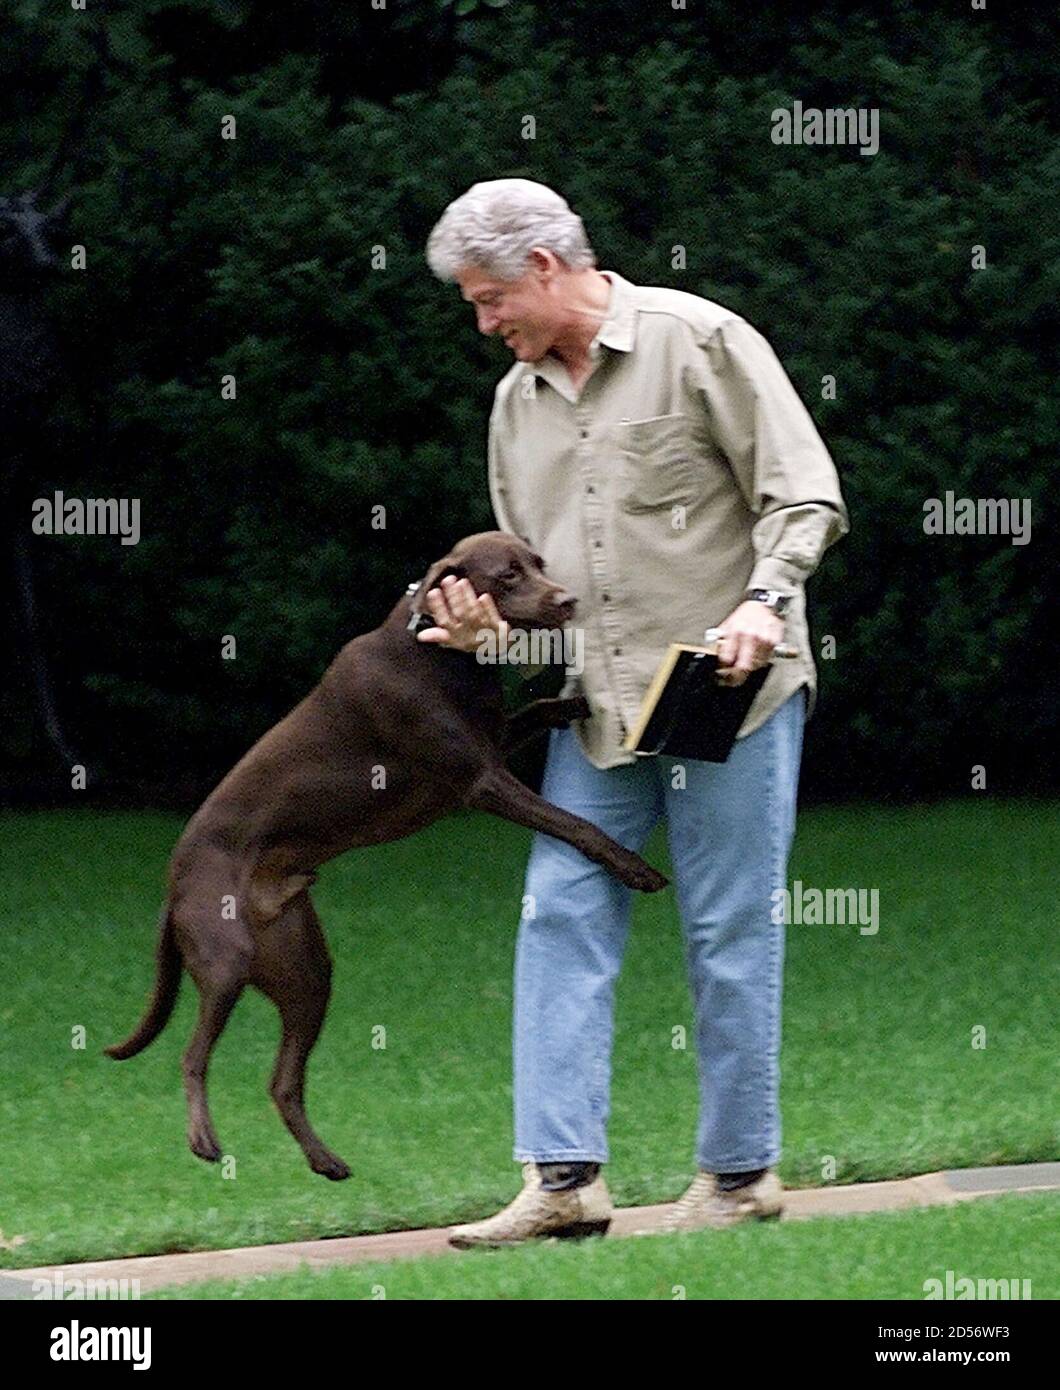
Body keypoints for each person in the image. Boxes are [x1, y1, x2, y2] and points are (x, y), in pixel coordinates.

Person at [420, 179, 848, 1246]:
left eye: (488, 300)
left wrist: (763, 601)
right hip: (597, 711)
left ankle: (739, 1175)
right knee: (558, 909)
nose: (482, 326)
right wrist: (490, 641)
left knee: (726, 930)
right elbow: (538, 590)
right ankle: (562, 1181)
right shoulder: (515, 406)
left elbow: (803, 493)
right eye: (472, 306)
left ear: (547, 269)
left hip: (728, 695)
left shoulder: (697, 339)